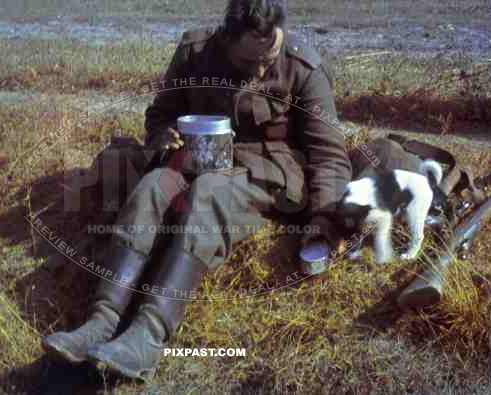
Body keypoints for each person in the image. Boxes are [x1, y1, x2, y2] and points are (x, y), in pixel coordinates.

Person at [42, 0, 352, 381]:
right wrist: (162, 135)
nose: (259, 69)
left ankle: (148, 336)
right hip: (193, 161)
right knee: (154, 186)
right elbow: (160, 113)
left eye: (268, 58)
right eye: (248, 62)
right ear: (227, 38)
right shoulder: (195, 52)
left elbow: (330, 154)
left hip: (266, 174)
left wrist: (323, 215)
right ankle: (101, 321)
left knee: (207, 193)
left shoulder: (304, 68)